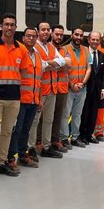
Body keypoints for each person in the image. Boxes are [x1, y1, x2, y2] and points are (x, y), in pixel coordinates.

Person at [0, 13, 28, 179]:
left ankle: (2, 163)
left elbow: (23, 71)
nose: (9, 28)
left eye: (12, 25)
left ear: (16, 28)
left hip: (14, 98)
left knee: (8, 132)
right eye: (6, 24)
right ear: (1, 27)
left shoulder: (21, 49)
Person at [31, 22, 66, 158]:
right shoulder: (34, 46)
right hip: (40, 90)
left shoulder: (51, 47)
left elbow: (62, 62)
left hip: (52, 89)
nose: (45, 32)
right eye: (43, 30)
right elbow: (40, 66)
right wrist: (52, 64)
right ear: (38, 31)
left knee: (48, 120)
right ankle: (31, 148)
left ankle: (46, 146)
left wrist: (47, 64)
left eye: (47, 30)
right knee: (35, 121)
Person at [9, 27, 42, 168]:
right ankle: (10, 157)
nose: (31, 38)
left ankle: (22, 155)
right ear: (23, 38)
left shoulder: (37, 55)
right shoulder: (19, 53)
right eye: (28, 36)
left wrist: (39, 99)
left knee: (26, 130)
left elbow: (38, 79)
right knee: (16, 130)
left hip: (33, 100)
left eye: (34, 36)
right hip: (21, 100)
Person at [60, 27, 90, 148]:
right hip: (69, 88)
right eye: (76, 34)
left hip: (82, 88)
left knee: (77, 114)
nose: (78, 37)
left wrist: (82, 83)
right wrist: (71, 84)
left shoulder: (86, 50)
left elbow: (89, 69)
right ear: (72, 35)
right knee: (65, 114)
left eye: (81, 35)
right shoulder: (64, 50)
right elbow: (64, 70)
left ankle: (75, 137)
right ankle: (63, 138)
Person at [79, 31, 104, 144]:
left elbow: (103, 73)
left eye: (97, 40)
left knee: (93, 112)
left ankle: (89, 135)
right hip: (85, 88)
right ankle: (81, 135)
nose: (95, 42)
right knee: (83, 112)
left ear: (100, 41)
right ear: (89, 40)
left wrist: (103, 88)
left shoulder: (102, 55)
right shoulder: (84, 53)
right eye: (93, 39)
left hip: (96, 89)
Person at [50, 25, 71, 151]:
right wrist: (60, 63)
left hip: (62, 89)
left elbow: (68, 65)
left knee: (58, 116)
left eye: (61, 35)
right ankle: (41, 142)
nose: (59, 37)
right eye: (56, 34)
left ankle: (55, 140)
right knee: (46, 118)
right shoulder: (47, 48)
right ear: (52, 34)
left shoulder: (64, 50)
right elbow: (46, 64)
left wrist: (55, 63)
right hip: (50, 88)